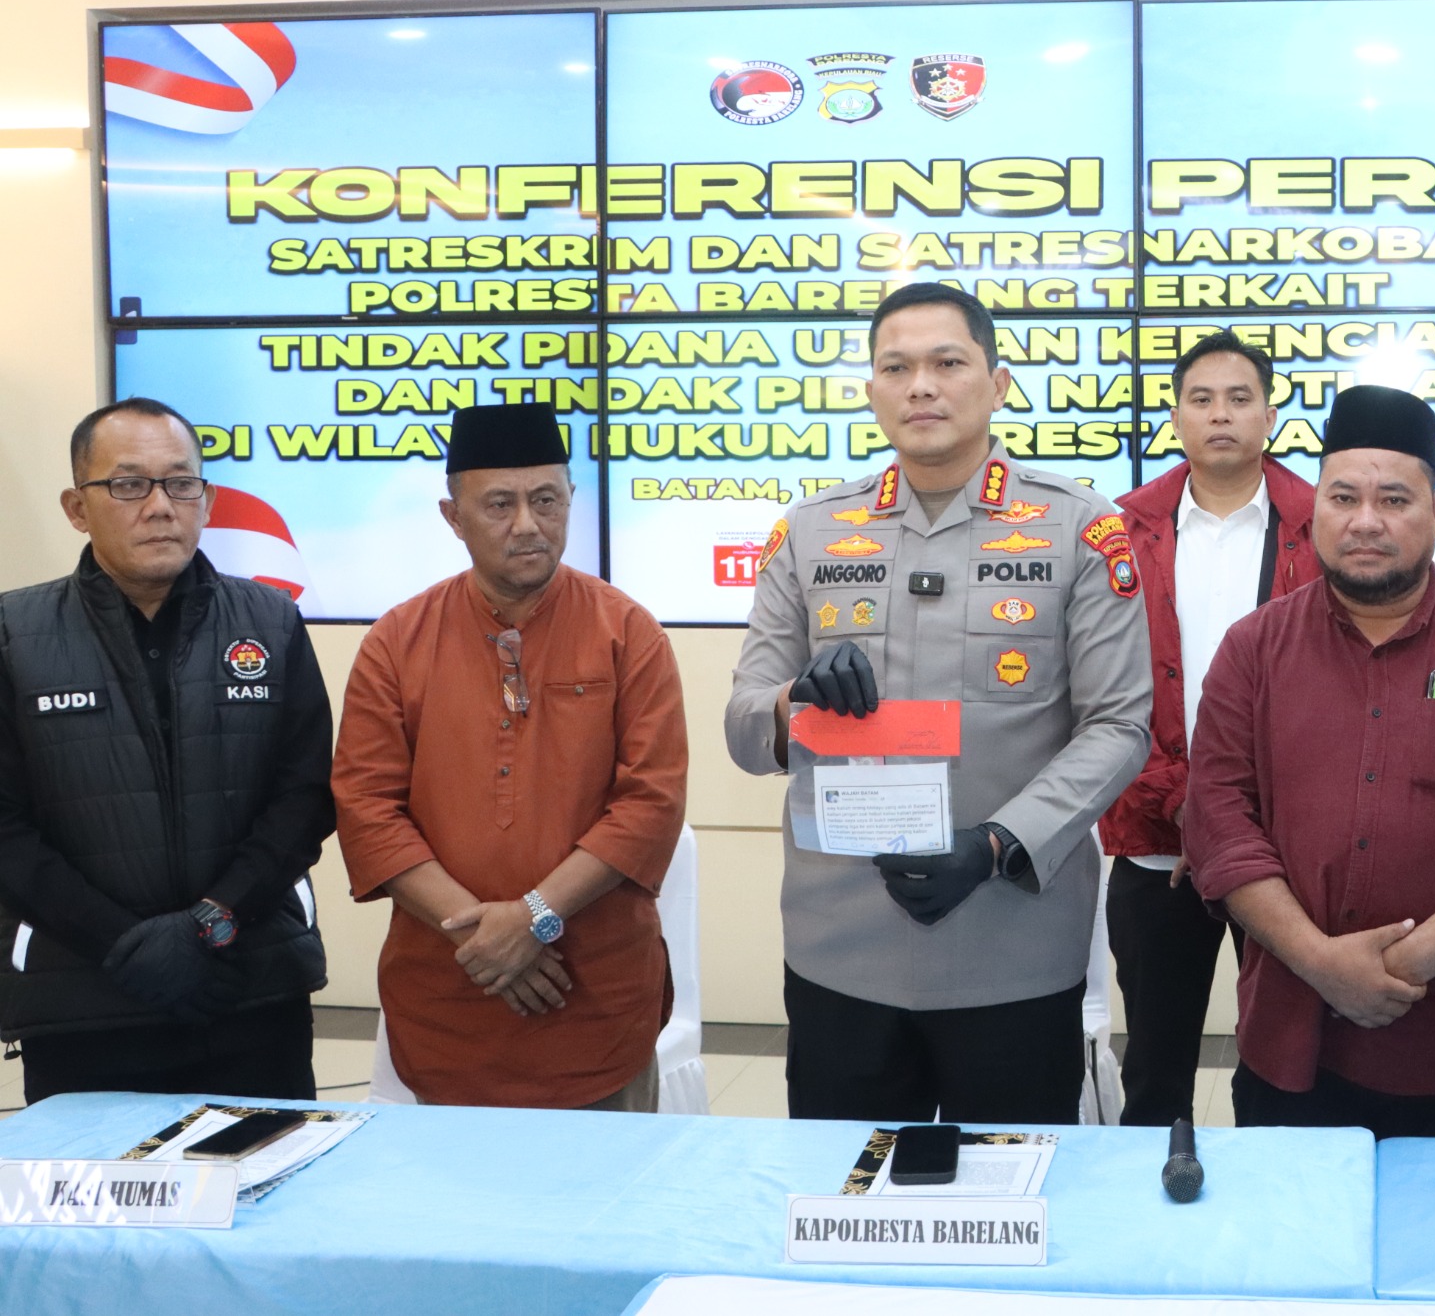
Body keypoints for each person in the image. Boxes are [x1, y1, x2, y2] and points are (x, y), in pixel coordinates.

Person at [727, 282, 1151, 1124]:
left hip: (1012, 943)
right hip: (840, 949)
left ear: (997, 384)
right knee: (845, 1189)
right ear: (872, 389)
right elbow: (743, 727)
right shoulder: (810, 530)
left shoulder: (1077, 528)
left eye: (947, 363)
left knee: (1010, 1189)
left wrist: (997, 844)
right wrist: (790, 702)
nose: (921, 385)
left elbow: (1119, 727)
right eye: (897, 367)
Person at [1184, 383, 1435, 1138]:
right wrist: (1320, 961)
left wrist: (1408, 964)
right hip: (1288, 1037)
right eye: (1344, 498)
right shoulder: (1254, 649)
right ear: (1315, 508)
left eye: (1394, 500)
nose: (1366, 521)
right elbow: (1219, 820)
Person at [335, 401, 687, 1110]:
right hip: (451, 989)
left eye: (546, 500)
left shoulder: (628, 633)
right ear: (453, 516)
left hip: (594, 997)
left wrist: (532, 919)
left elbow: (650, 804)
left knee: (611, 1179)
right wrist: (485, 937)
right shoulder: (396, 642)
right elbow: (367, 809)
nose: (527, 523)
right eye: (500, 504)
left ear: (571, 501)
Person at [0, 398, 333, 1102]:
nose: (160, 507)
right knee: (91, 1180)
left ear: (205, 501)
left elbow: (303, 798)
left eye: (181, 484)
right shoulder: (12, 634)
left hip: (249, 990)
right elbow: (6, 830)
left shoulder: (271, 622)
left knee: (267, 1172)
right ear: (76, 508)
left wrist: (213, 922)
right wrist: (124, 945)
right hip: (84, 1001)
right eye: (129, 484)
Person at [1102, 329, 1317, 1126]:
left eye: (1238, 398)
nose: (1220, 414)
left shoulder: (1320, 525)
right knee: (1155, 1067)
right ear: (1176, 416)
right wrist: (1188, 807)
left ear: (1270, 415)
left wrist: (1232, 817)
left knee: (1284, 1063)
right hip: (1157, 843)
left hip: (1286, 844)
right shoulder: (1120, 532)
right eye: (1201, 399)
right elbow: (1103, 691)